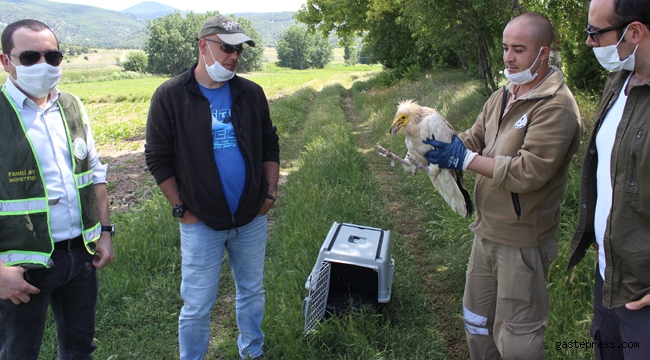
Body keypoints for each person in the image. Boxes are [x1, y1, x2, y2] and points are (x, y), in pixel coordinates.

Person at [422, 12, 582, 359]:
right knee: (477, 320)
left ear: (544, 53)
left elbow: (529, 171)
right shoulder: (504, 94)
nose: (509, 57)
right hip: (487, 231)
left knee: (517, 336)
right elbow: (474, 137)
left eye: (519, 50)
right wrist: (438, 149)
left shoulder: (557, 107)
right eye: (506, 48)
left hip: (523, 240)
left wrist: (462, 160)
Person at [145, 14, 279, 360]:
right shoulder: (171, 96)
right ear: (203, 46)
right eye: (227, 48)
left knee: (251, 291)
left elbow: (269, 144)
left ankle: (252, 351)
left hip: (251, 216)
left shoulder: (250, 93)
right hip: (200, 221)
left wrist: (269, 193)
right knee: (197, 304)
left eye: (239, 50)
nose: (234, 56)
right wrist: (180, 208)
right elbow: (157, 158)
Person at [0, 19, 115, 359]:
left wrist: (105, 233)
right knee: (18, 352)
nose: (43, 65)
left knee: (80, 348)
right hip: (21, 265)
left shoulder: (72, 107)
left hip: (80, 256)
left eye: (52, 57)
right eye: (30, 56)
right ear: (6, 62)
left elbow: (94, 174)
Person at [567, 0, 650, 359]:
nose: (588, 42)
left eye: (594, 33)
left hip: (643, 297)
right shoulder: (618, 82)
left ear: (634, 32)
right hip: (609, 275)